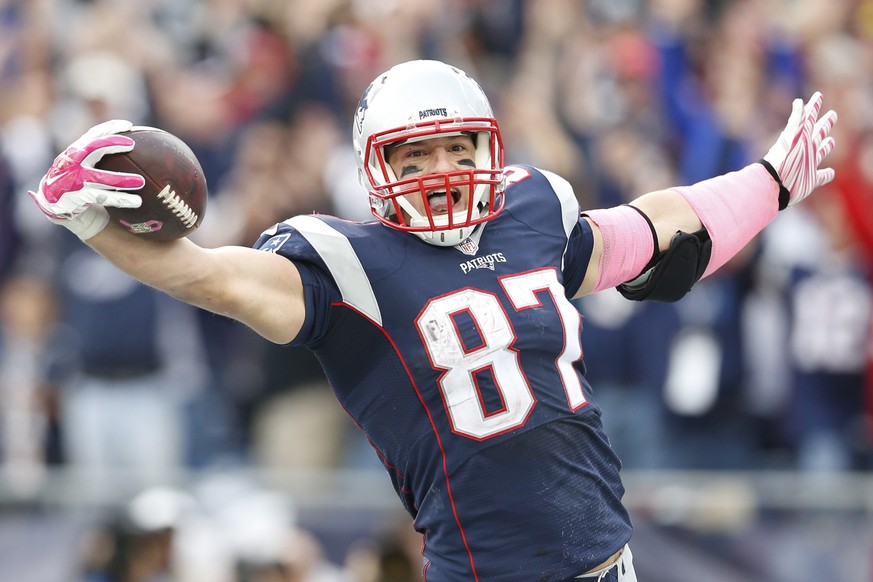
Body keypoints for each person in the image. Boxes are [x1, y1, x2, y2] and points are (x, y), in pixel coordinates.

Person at [26, 60, 836, 581]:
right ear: (375, 169)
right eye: (414, 157)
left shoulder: (533, 212)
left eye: (454, 149)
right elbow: (207, 274)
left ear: (487, 149)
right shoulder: (346, 263)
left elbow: (655, 224)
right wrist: (92, 223)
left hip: (608, 559)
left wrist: (765, 183)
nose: (440, 172)